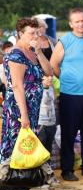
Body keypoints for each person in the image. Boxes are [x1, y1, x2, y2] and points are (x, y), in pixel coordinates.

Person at [50, 8, 83, 181]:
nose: (81, 24)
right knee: (69, 134)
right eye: (77, 21)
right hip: (70, 95)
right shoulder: (65, 41)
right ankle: (67, 170)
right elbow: (53, 65)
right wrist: (68, 79)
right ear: (71, 24)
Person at [0, 18, 52, 162]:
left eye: (36, 33)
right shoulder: (16, 55)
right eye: (31, 33)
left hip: (32, 107)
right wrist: (24, 115)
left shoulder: (32, 52)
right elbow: (17, 86)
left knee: (28, 146)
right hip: (18, 109)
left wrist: (39, 52)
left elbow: (49, 72)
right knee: (17, 144)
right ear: (20, 34)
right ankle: (11, 179)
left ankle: (26, 177)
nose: (35, 36)